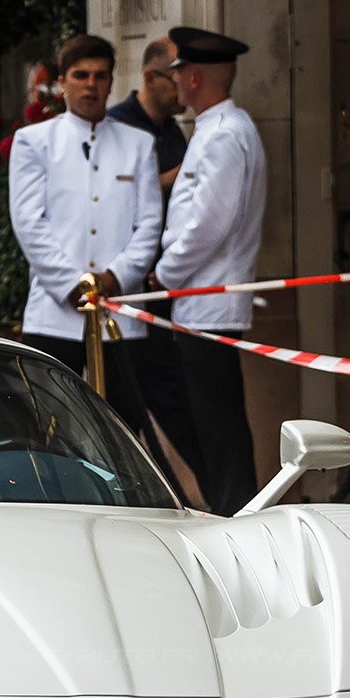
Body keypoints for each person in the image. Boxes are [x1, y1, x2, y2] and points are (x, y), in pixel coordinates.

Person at [7, 34, 166, 461]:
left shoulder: (138, 143)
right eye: (80, 75)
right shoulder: (34, 141)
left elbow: (149, 222)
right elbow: (28, 222)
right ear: (62, 82)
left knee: (121, 431)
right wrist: (72, 282)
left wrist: (117, 276)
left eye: (100, 76)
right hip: (53, 313)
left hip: (119, 315)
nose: (90, 85)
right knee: (46, 430)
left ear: (112, 81)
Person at [152, 26, 269, 515]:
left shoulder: (224, 135)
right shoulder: (219, 130)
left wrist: (165, 273)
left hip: (207, 298)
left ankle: (235, 511)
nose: (174, 82)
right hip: (203, 299)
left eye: (178, 73)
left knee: (218, 422)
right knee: (214, 419)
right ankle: (232, 507)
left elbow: (208, 223)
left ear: (194, 77)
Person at [105, 37, 208, 495]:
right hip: (127, 291)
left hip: (166, 285)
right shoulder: (117, 128)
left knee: (176, 398)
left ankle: (202, 490)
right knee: (133, 403)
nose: (184, 85)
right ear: (150, 78)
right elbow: (119, 202)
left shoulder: (172, 130)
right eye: (176, 75)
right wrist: (190, 168)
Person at [108, 38, 188, 199]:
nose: (184, 90)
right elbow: (113, 191)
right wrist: (180, 174)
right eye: (176, 81)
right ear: (150, 78)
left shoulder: (171, 128)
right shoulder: (115, 125)